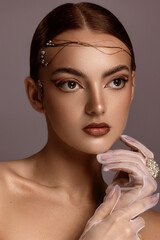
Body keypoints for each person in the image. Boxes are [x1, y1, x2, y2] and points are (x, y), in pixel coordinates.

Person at [0, 2, 159, 240]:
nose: (97, 106)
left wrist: (120, 209)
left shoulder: (148, 228)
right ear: (36, 95)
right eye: (70, 84)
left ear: (132, 87)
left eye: (116, 81)